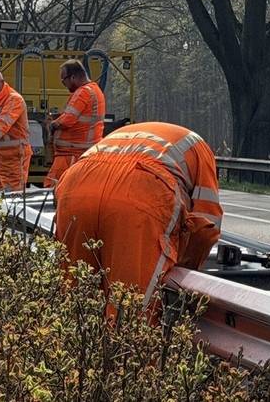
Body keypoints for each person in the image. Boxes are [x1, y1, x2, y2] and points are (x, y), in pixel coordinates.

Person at [53, 121, 223, 305]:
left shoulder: (122, 137)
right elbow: (206, 226)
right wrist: (184, 269)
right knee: (128, 311)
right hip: (141, 191)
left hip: (77, 184)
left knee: (75, 302)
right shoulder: (199, 149)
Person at [44, 59, 106, 187]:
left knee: (54, 188)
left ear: (72, 77)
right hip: (81, 152)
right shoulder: (95, 91)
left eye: (63, 81)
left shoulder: (83, 93)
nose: (64, 85)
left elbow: (68, 119)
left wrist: (53, 125)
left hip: (72, 154)